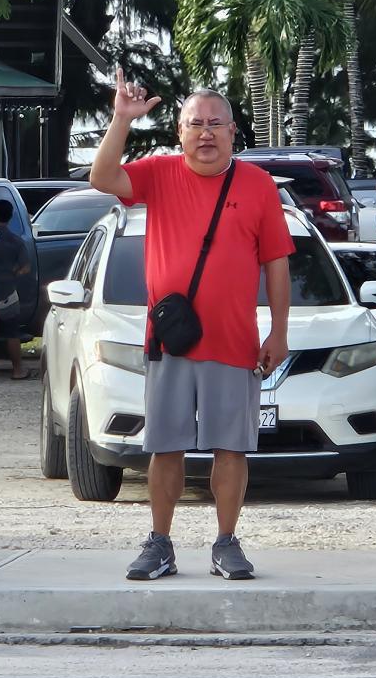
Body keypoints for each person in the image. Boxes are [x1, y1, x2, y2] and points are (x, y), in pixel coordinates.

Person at [89, 76, 291, 583]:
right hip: (171, 341)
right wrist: (122, 120)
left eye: (215, 124)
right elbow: (101, 176)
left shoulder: (257, 184)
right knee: (165, 445)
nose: (205, 133)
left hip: (234, 339)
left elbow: (277, 265)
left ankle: (226, 542)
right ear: (179, 133)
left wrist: (279, 332)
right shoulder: (158, 173)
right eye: (195, 124)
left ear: (233, 132)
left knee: (231, 447)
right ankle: (160, 542)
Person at [0, 198, 31, 380]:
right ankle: (18, 370)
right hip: (7, 293)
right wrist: (14, 273)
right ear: (10, 216)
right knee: (12, 333)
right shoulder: (16, 241)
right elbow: (26, 267)